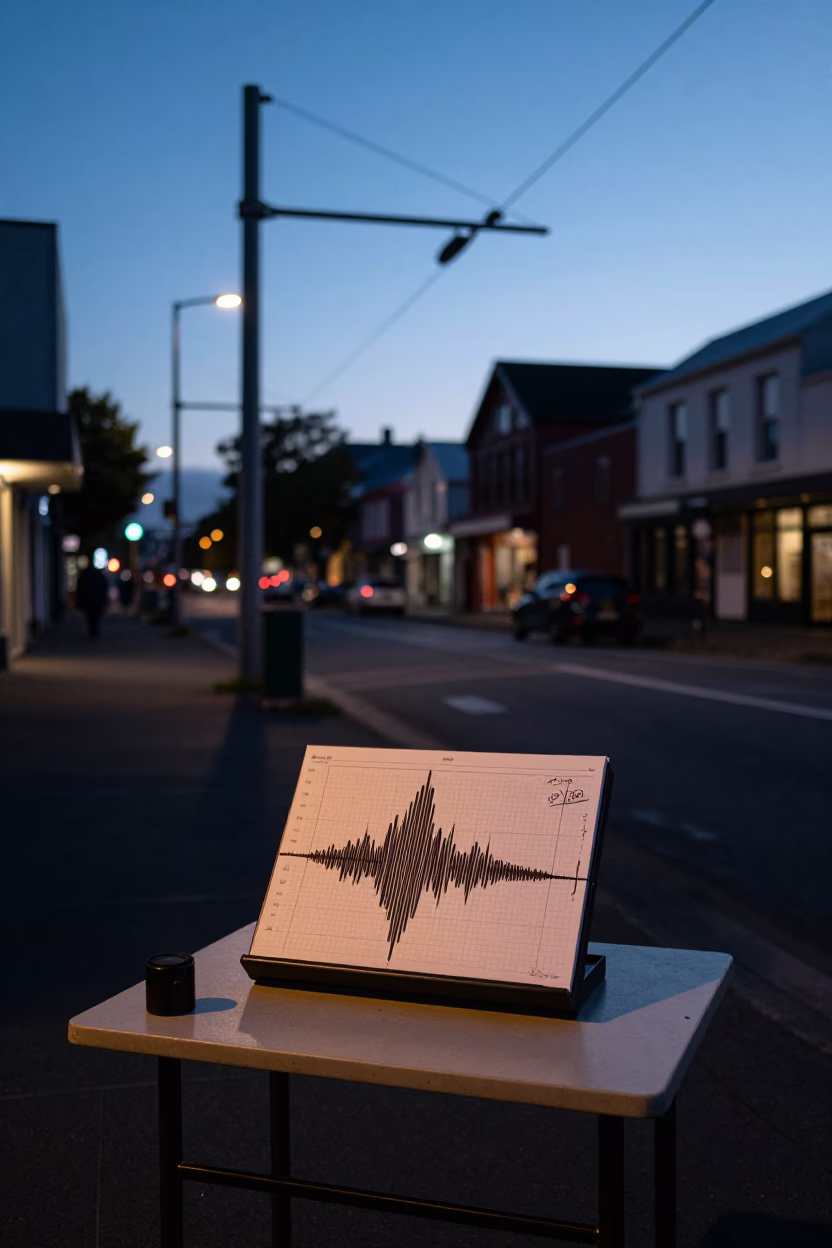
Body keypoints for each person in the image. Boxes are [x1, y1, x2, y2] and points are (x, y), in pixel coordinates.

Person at [76, 563, 109, 639]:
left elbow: (80, 588)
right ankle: (94, 629)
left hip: (88, 599)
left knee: (90, 616)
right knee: (96, 616)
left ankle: (92, 630)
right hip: (97, 600)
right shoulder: (99, 575)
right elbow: (104, 587)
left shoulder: (84, 576)